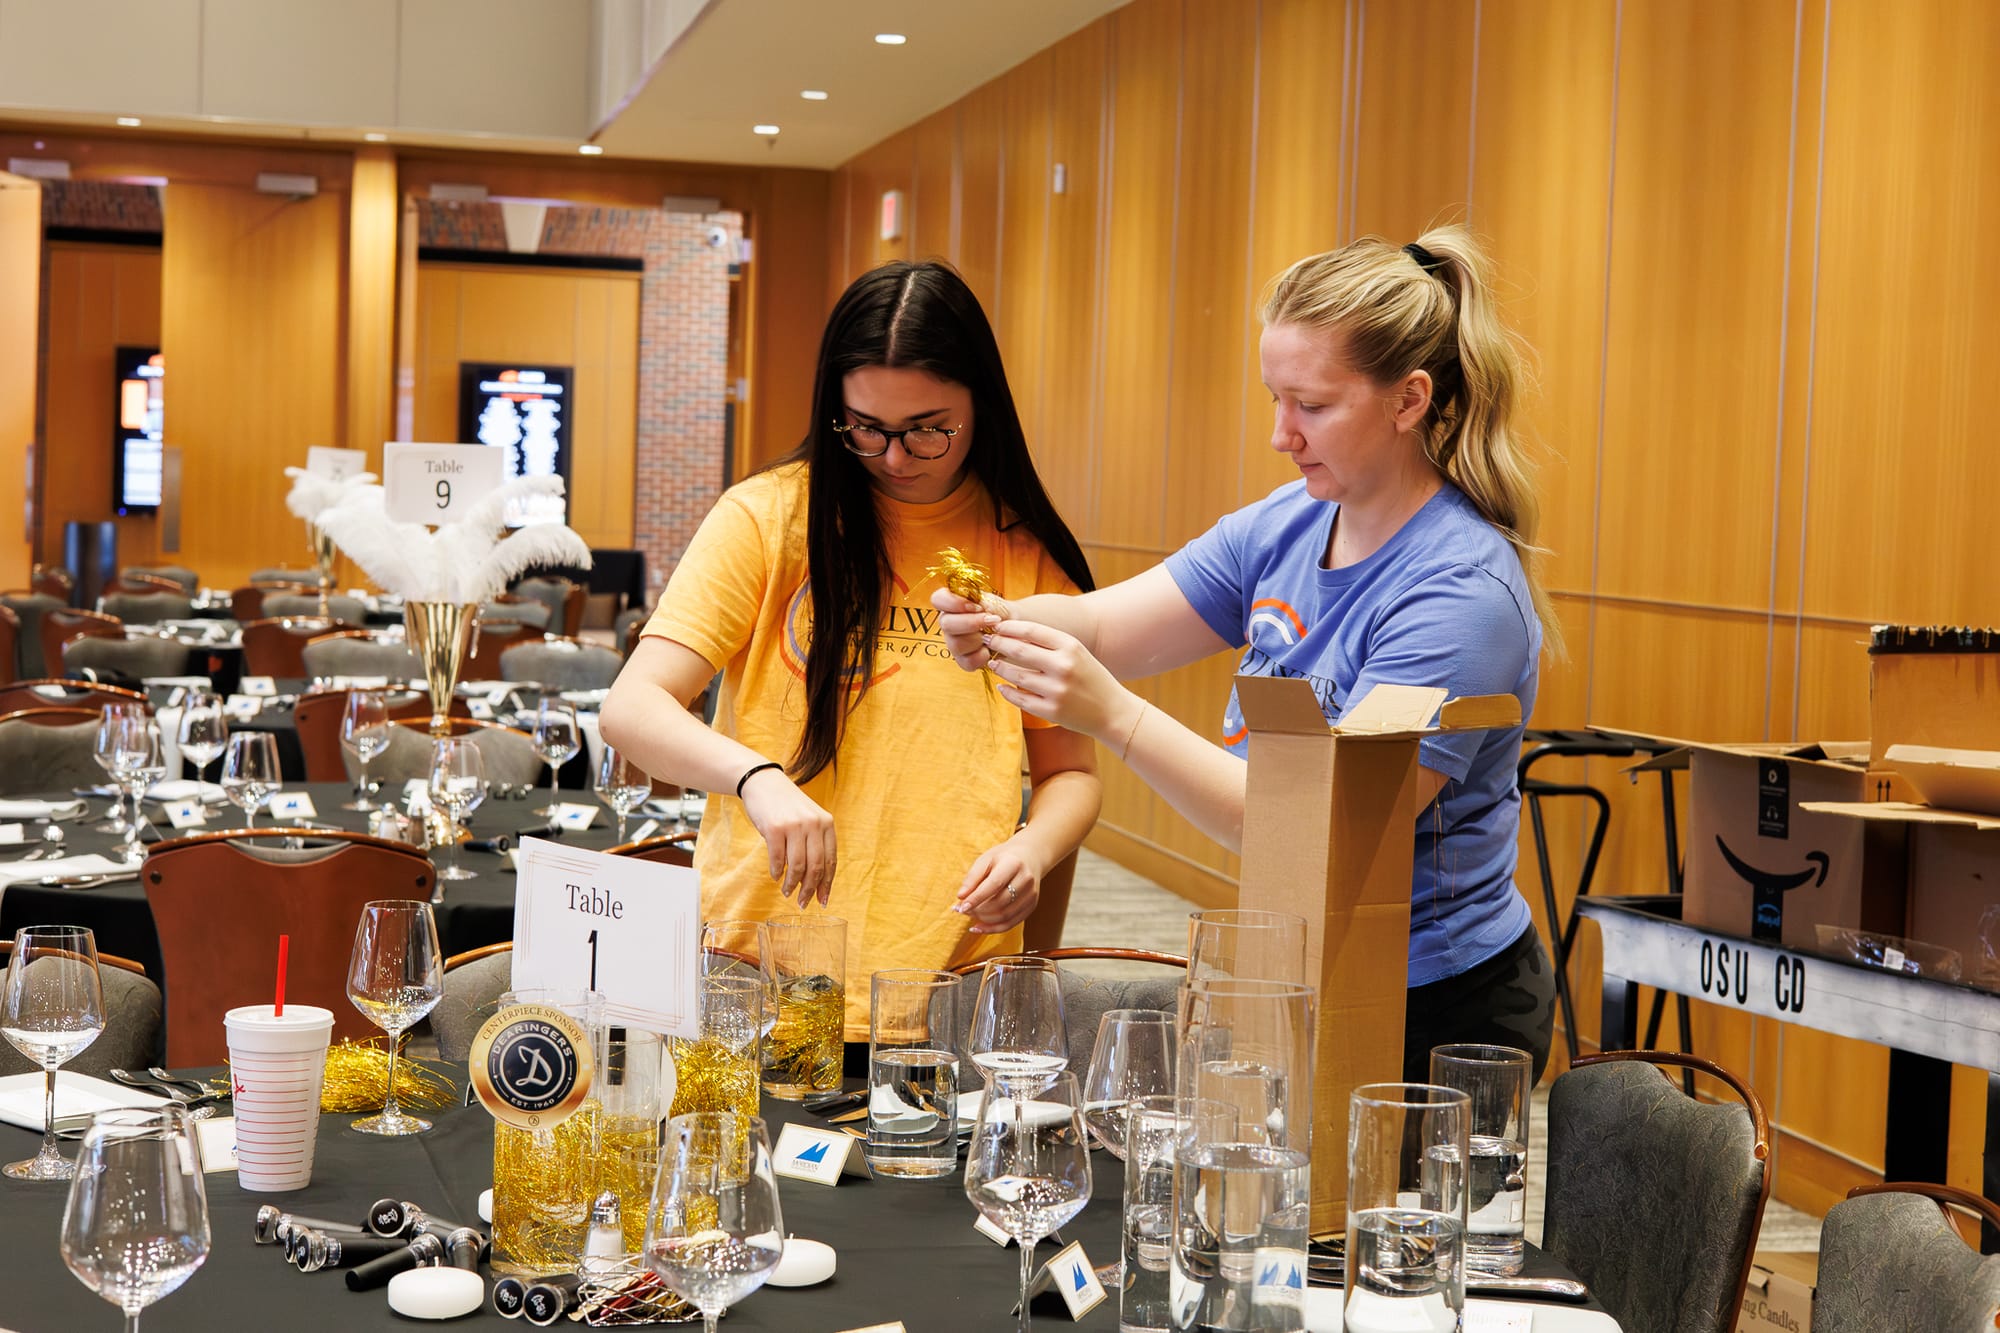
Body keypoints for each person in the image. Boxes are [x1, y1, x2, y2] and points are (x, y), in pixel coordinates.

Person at [934, 226, 1559, 1081]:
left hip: (1441, 994)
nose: (1281, 433)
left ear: (1408, 400)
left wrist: (1114, 717)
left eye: (1311, 405)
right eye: (1274, 397)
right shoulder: (1289, 522)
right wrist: (1002, 621)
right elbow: (1108, 626)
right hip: (1303, 953)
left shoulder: (1460, 595)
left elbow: (1315, 833)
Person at [600, 260, 1101, 1042]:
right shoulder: (769, 518)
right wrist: (756, 778)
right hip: (760, 965)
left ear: (983, 406)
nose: (895, 457)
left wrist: (1034, 850)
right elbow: (631, 708)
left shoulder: (1024, 554)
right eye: (866, 427)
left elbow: (1070, 773)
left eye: (928, 428)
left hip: (948, 978)